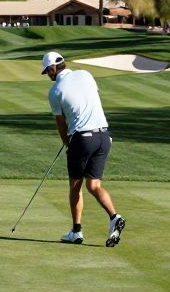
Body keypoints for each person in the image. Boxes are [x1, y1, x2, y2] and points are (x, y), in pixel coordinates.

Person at [42, 51, 126, 247]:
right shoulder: (86, 74)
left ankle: (76, 232)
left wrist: (67, 143)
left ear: (53, 69)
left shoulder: (55, 91)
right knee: (94, 185)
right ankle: (115, 217)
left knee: (75, 186)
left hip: (82, 139)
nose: (48, 75)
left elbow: (61, 125)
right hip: (104, 136)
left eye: (47, 71)